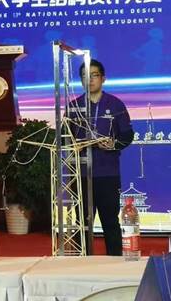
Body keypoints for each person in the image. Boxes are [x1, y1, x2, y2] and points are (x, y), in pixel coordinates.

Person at [71, 59, 134, 255]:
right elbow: (66, 138)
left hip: (107, 173)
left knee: (110, 221)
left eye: (94, 75)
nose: (89, 80)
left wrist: (113, 145)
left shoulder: (115, 104)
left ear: (103, 78)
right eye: (84, 76)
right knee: (82, 223)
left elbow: (127, 135)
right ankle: (81, 262)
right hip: (81, 174)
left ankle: (114, 261)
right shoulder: (74, 106)